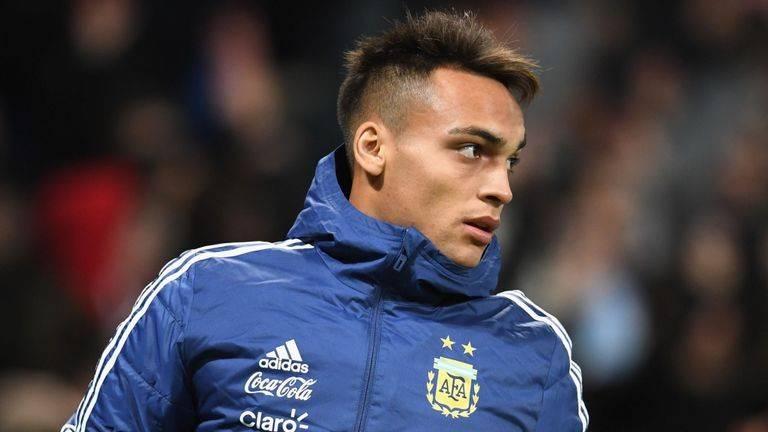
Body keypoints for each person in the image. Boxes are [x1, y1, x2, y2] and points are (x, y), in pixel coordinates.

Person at [62, 10, 588, 432]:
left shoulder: (534, 354)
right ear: (373, 148)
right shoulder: (204, 292)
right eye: (472, 149)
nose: (502, 188)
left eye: (510, 160)